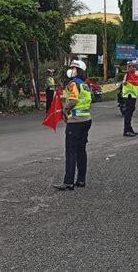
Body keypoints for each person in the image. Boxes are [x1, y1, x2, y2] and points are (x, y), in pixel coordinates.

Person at [53, 60, 92, 191]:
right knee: (81, 150)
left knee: (71, 152)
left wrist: (65, 109)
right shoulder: (85, 85)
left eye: (74, 68)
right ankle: (81, 180)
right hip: (86, 119)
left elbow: (74, 100)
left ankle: (68, 182)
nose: (71, 70)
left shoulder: (74, 84)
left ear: (79, 71)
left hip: (75, 121)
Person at [122, 61, 138, 137]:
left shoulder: (135, 75)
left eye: (133, 67)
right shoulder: (127, 75)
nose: (133, 68)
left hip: (133, 96)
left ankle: (129, 128)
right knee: (128, 113)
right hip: (128, 96)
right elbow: (123, 83)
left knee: (131, 111)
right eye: (131, 67)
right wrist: (125, 82)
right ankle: (126, 130)